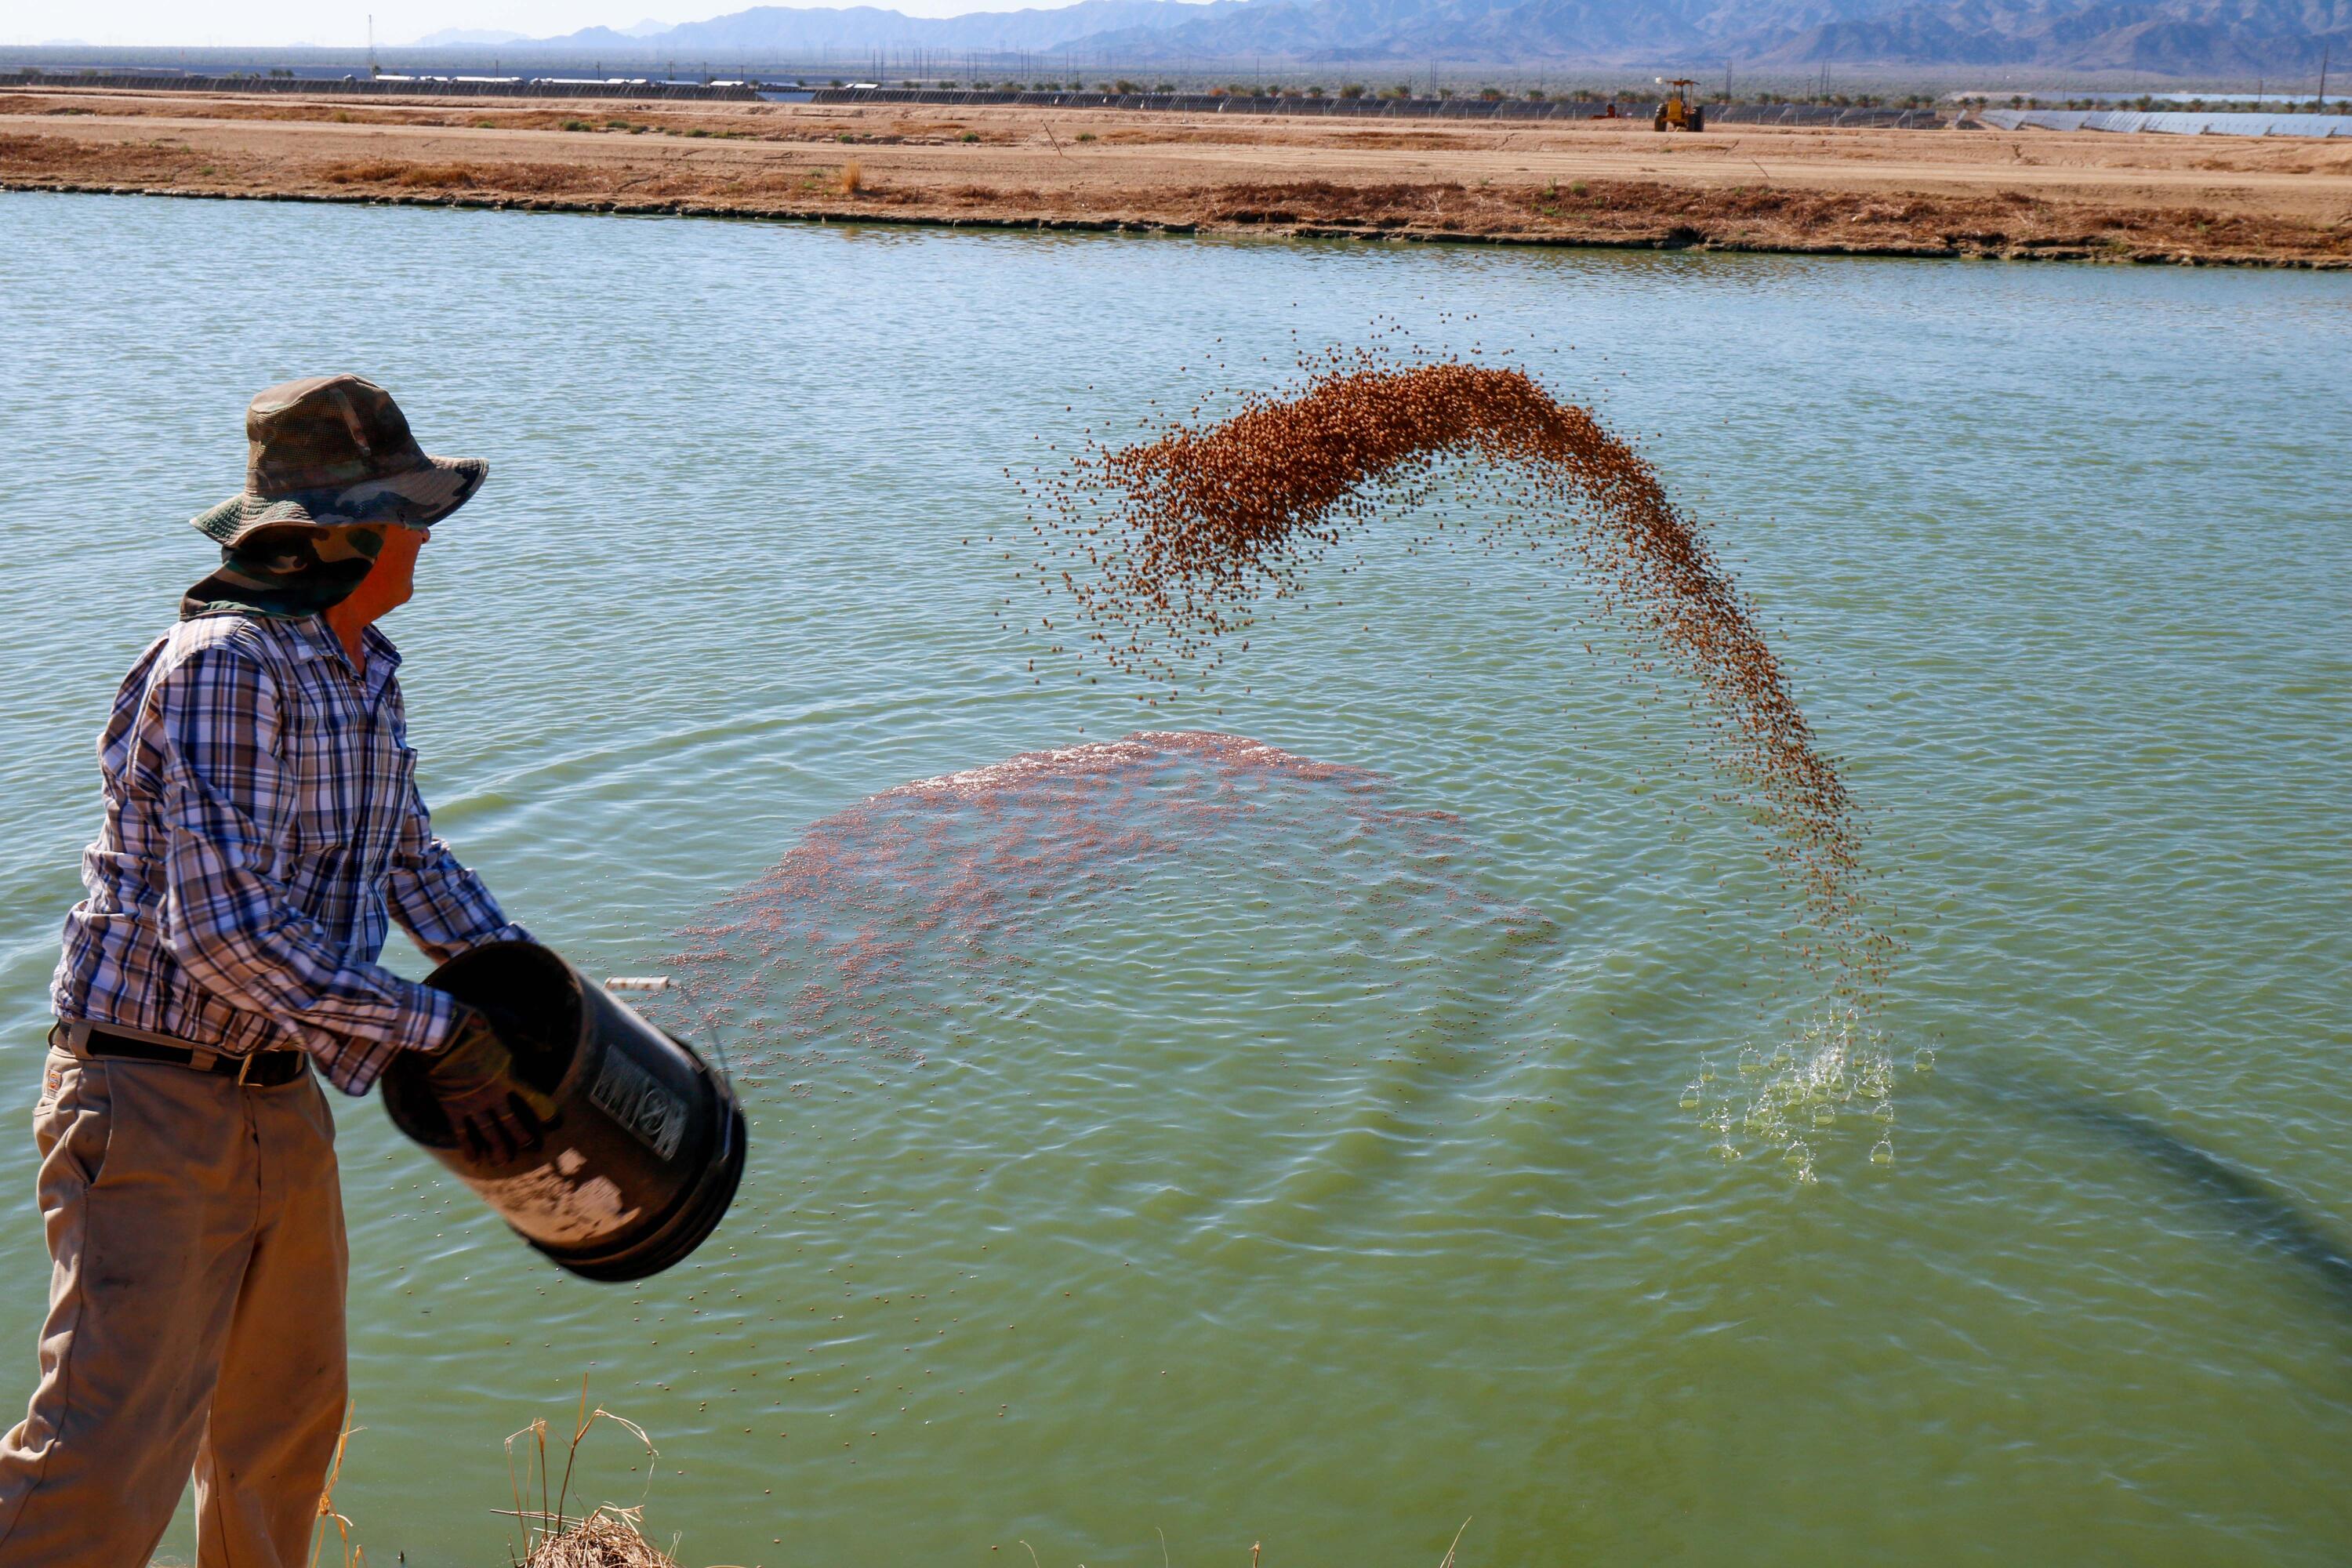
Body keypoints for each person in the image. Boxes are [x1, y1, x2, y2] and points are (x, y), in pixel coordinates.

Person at [0, 375, 543, 1568]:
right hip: (147, 1106)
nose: (424, 540)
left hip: (279, 1097)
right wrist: (435, 1033)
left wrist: (525, 992)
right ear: (339, 539)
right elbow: (226, 936)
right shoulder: (224, 667)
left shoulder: (363, 668)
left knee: (282, 1432)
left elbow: (410, 861)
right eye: (408, 518)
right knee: (105, 1454)